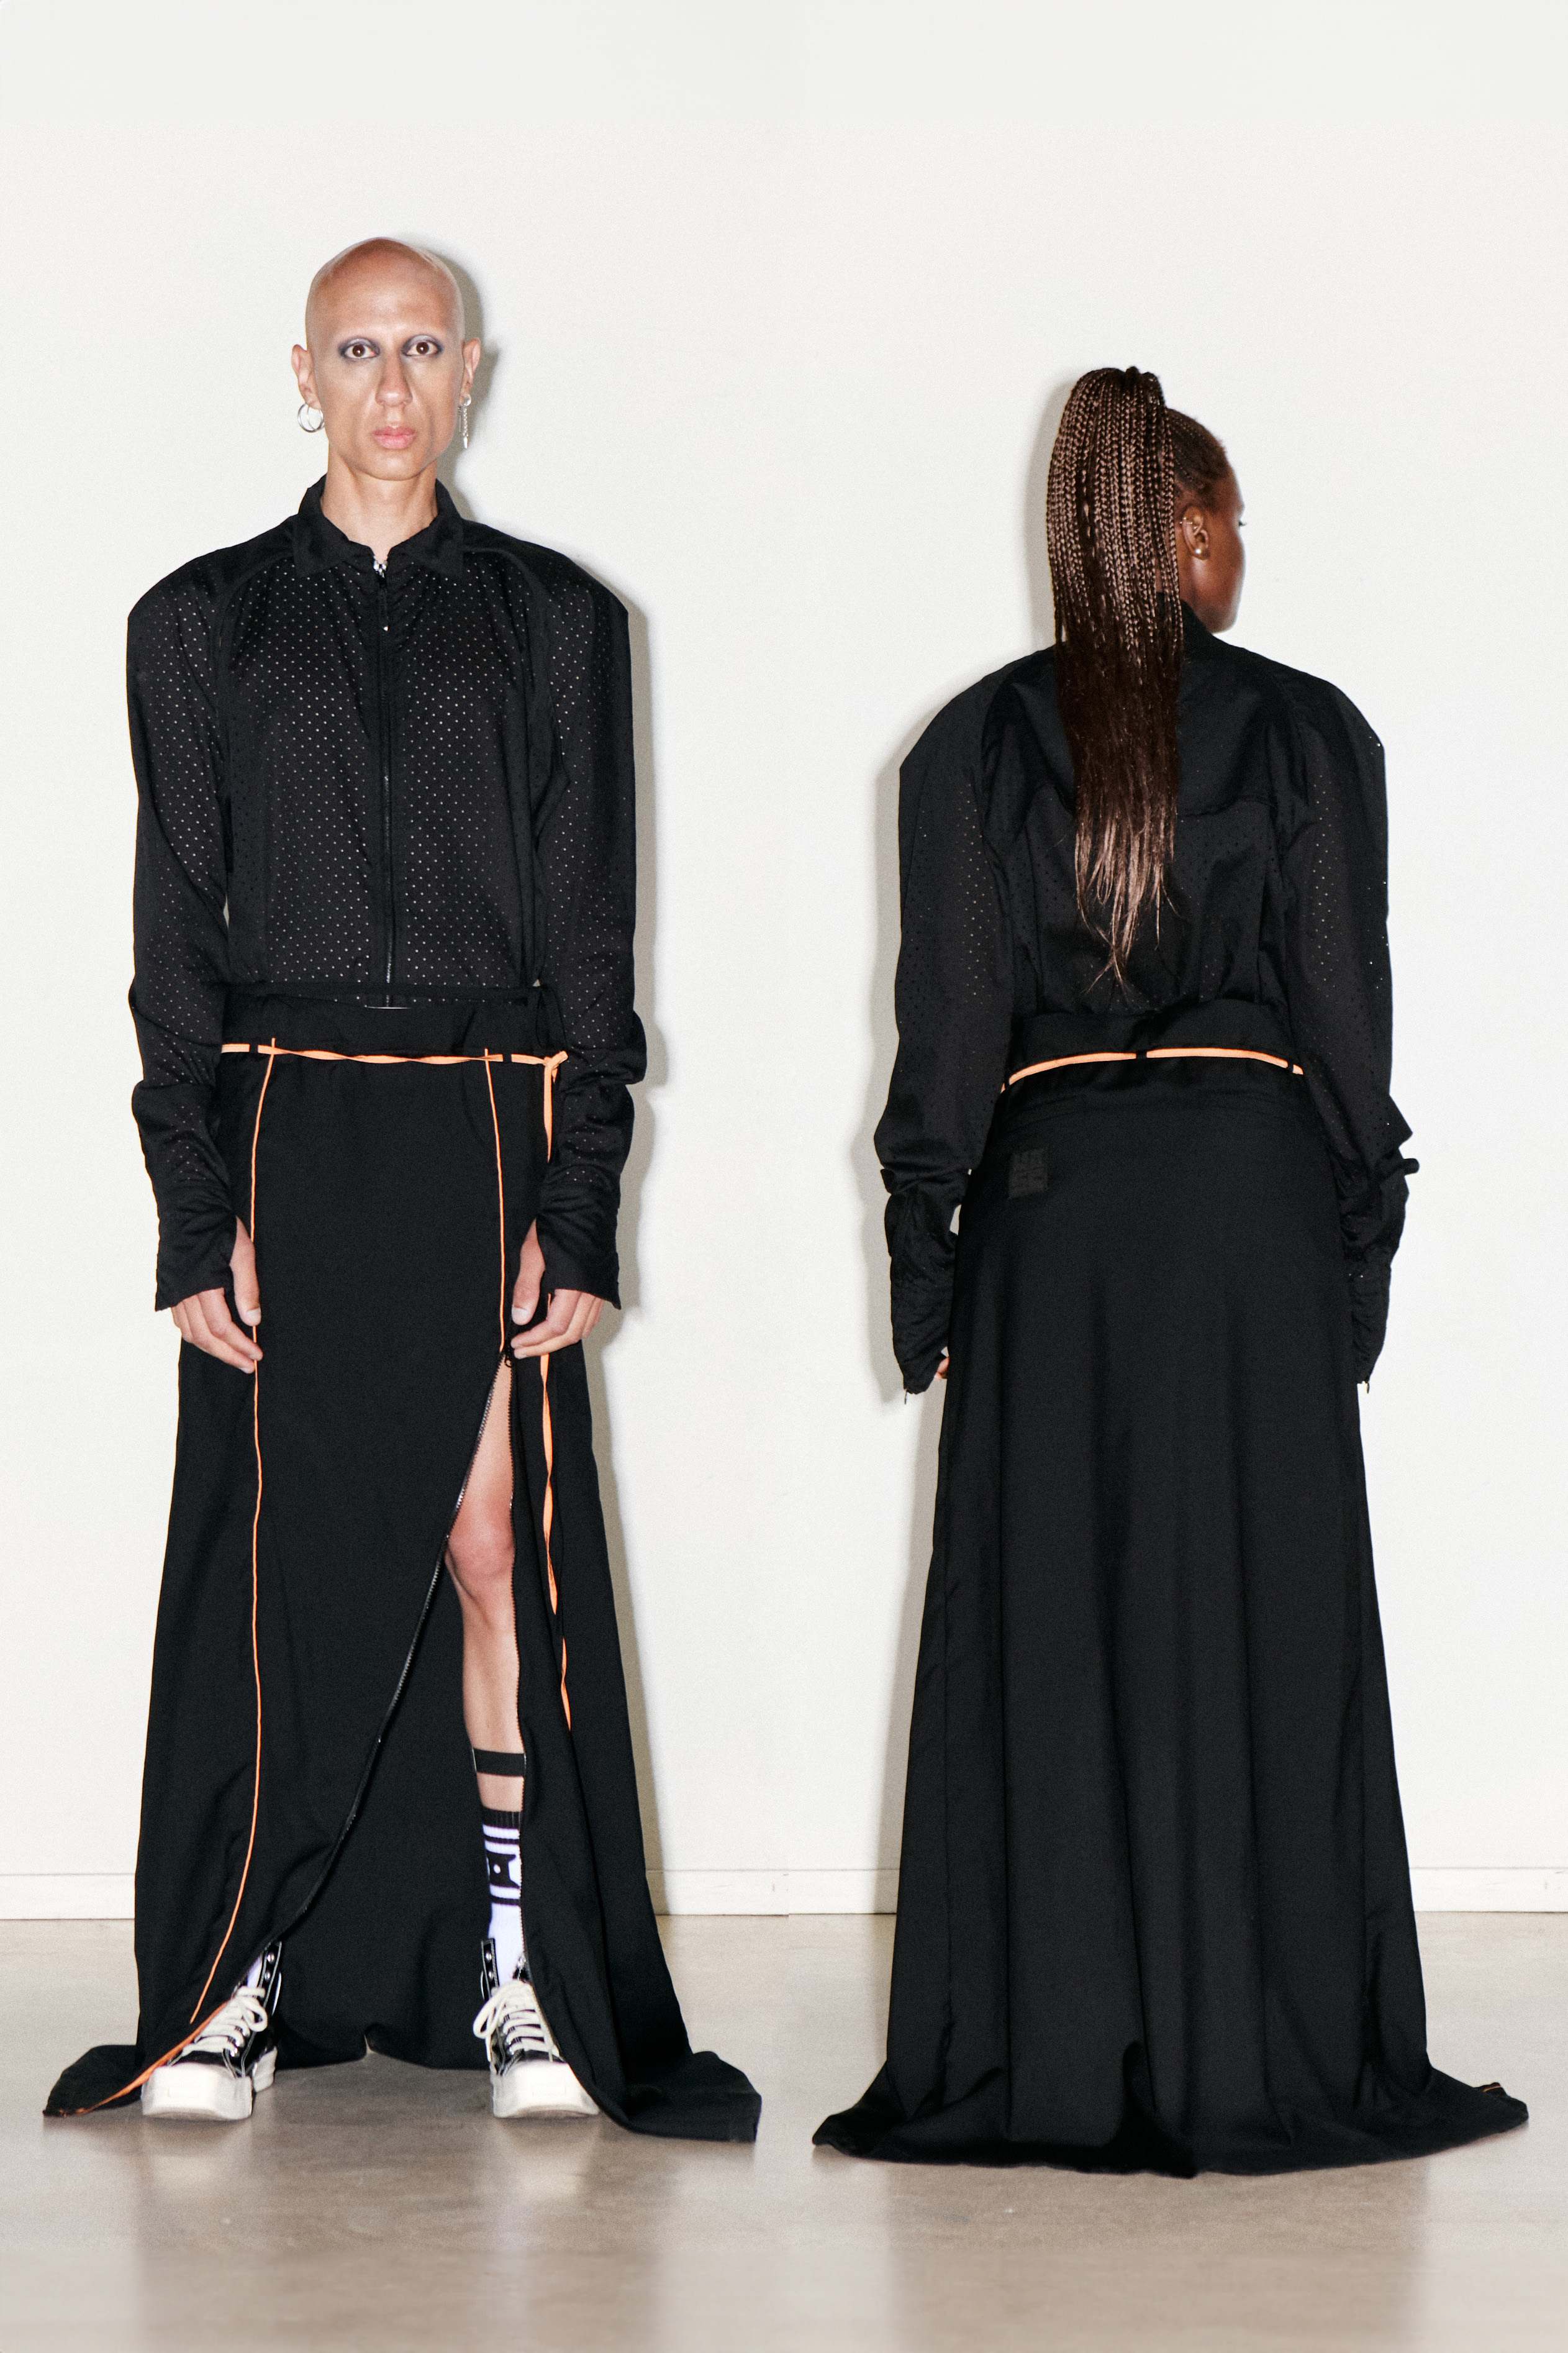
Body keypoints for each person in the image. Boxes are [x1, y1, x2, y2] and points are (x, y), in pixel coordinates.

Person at [47, 239, 758, 2143]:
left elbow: (595, 947)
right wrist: (192, 1199)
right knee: (279, 1564)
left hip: (482, 1127)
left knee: (488, 1542)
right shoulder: (199, 624)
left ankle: (519, 1967)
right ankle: (237, 1970)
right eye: (355, 350)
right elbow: (172, 947)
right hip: (283, 1131)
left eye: (420, 347)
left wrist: (582, 1199)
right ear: (302, 372)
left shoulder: (556, 624)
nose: (388, 384)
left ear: (471, 371)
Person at [816, 367, 1525, 2173]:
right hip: (1245, 1217)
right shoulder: (1306, 735)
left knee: (1055, 1632)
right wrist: (1361, 1236)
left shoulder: (969, 748)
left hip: (1051, 1232)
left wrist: (929, 1266)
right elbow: (1345, 1023)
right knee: (1261, 1623)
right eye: (1234, 521)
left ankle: (1064, 2043)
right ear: (1187, 532)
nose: (1242, 552)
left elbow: (946, 1036)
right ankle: (1264, 2032)